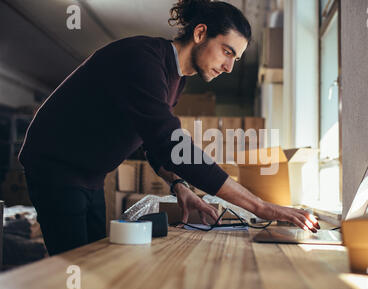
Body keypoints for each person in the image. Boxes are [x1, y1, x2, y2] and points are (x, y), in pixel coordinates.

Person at [18, 0, 319, 256]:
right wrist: (263, 208)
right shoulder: (143, 60)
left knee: (95, 258)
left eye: (236, 59)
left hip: (90, 176)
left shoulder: (177, 79)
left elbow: (153, 143)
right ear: (201, 33)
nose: (229, 67)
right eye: (227, 51)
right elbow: (171, 144)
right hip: (56, 168)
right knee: (77, 267)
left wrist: (179, 186)